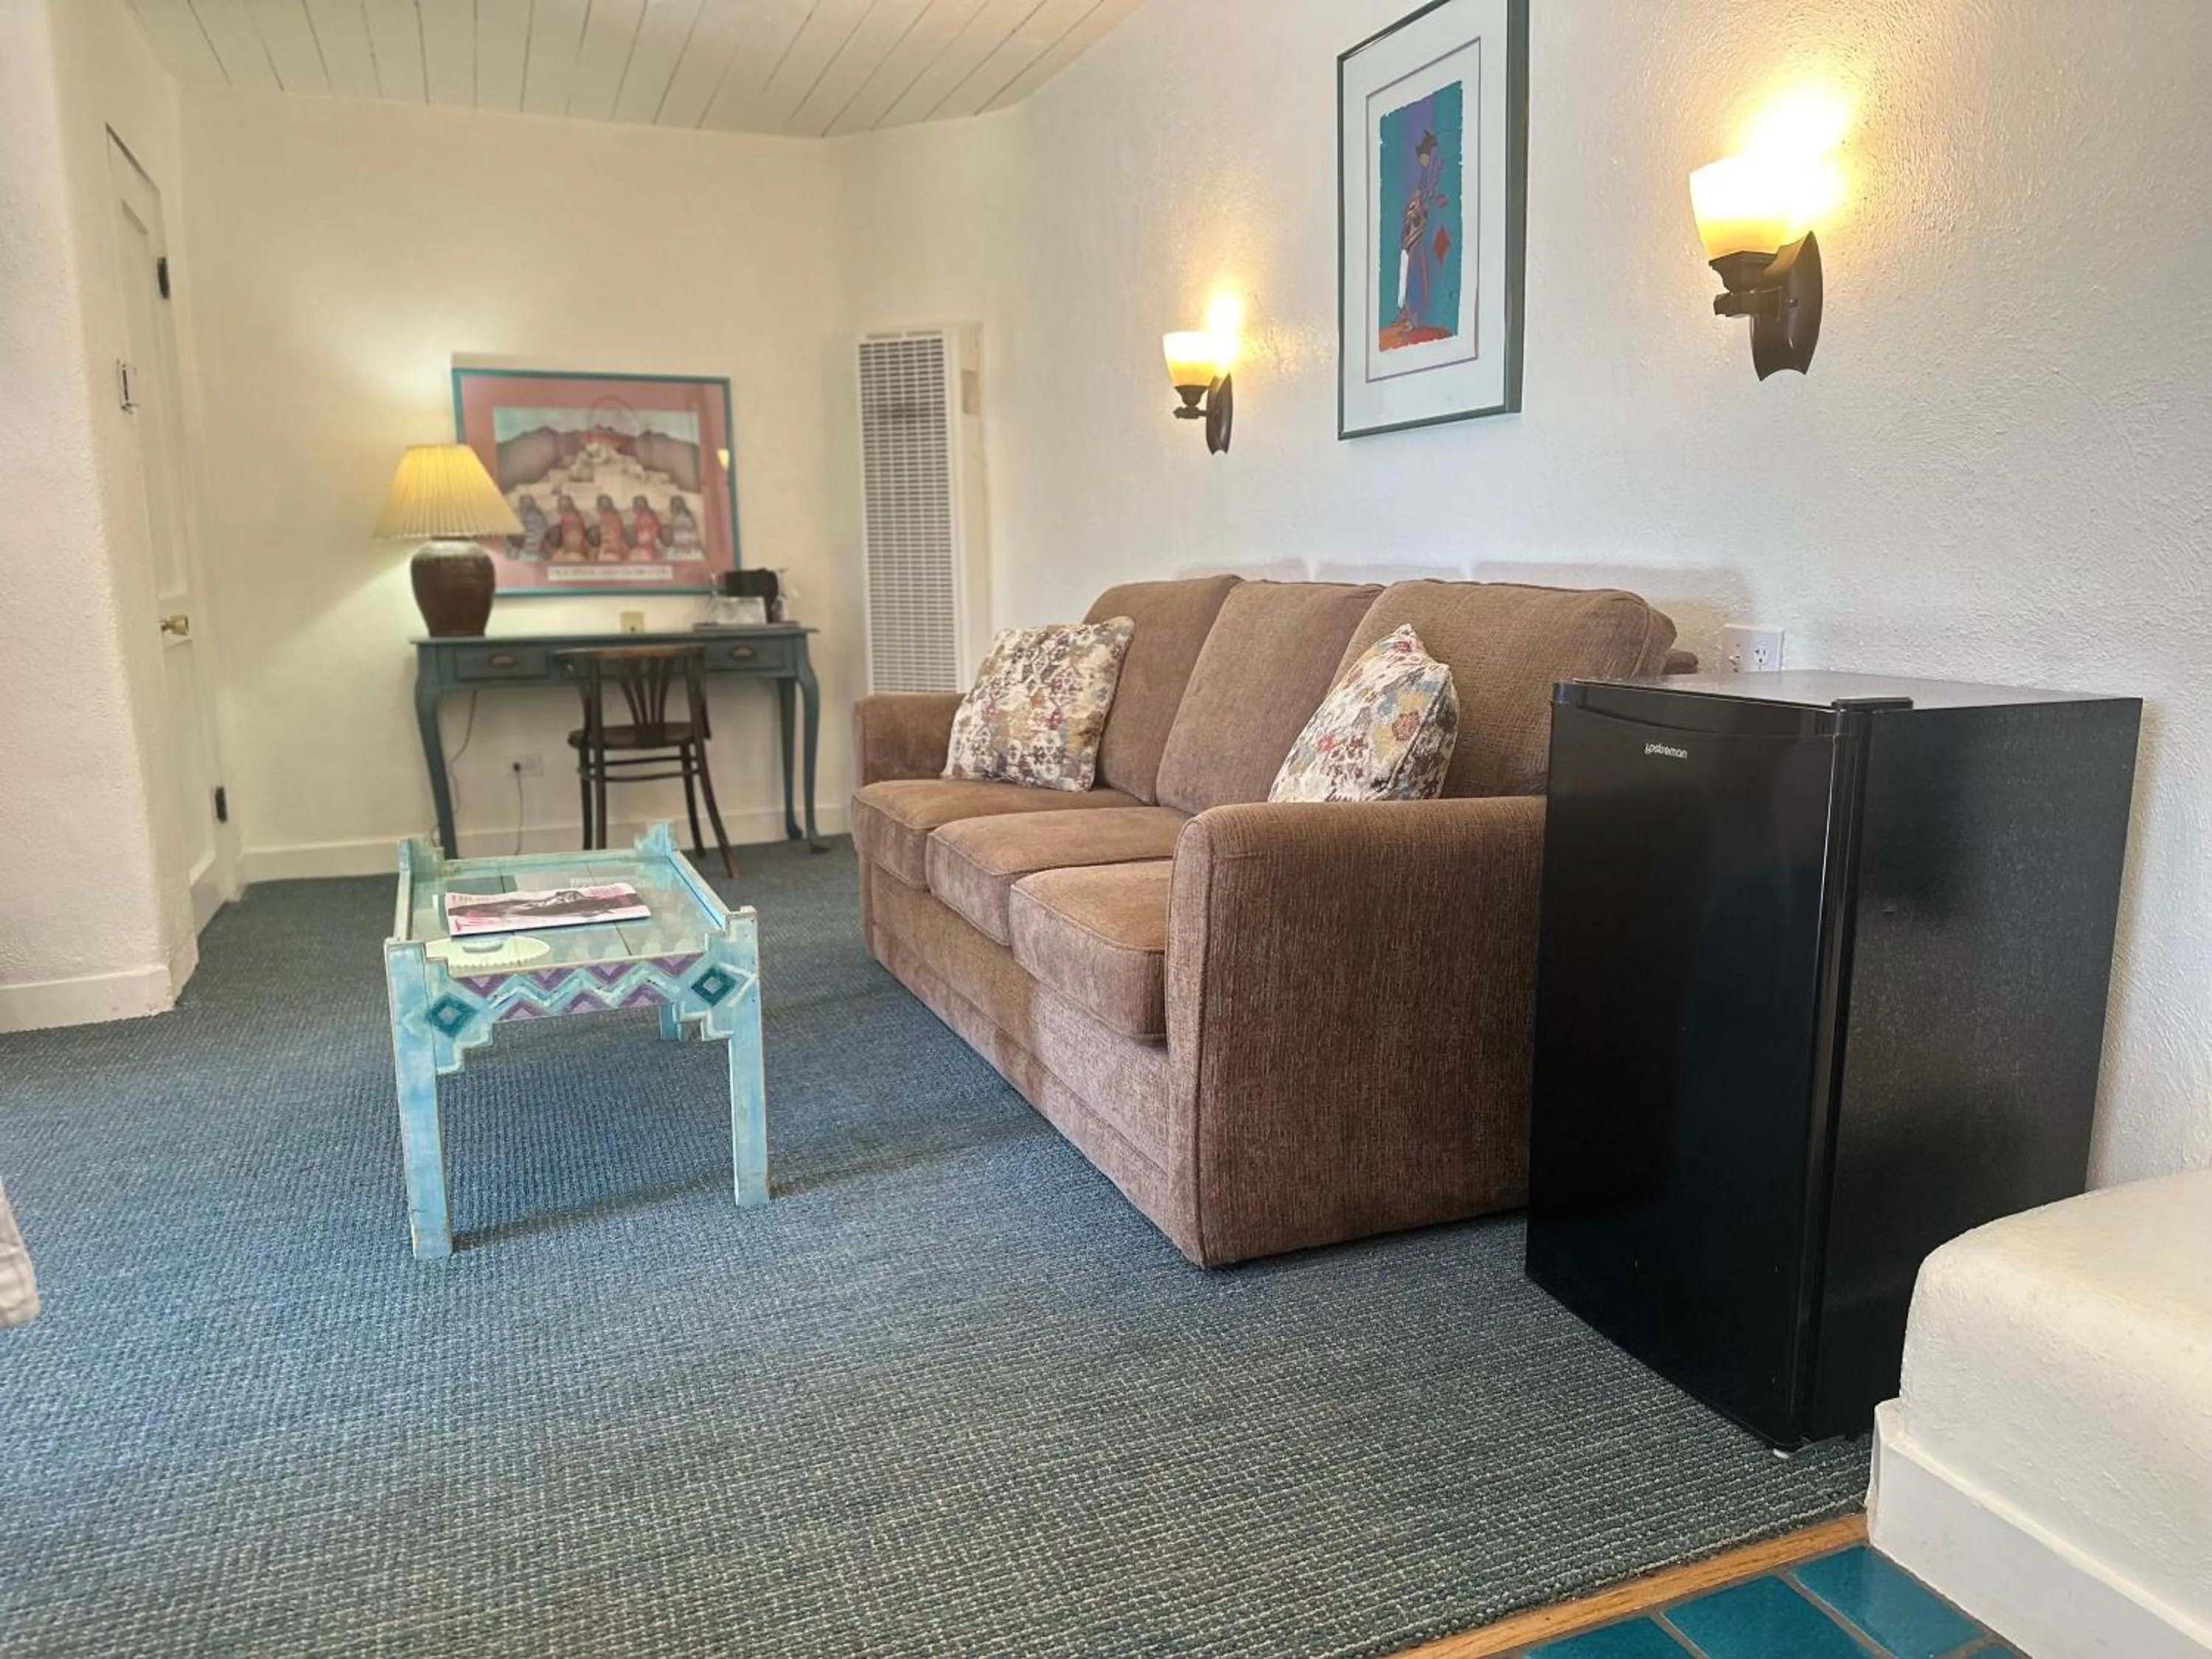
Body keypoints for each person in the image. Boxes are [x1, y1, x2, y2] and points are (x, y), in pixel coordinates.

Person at [548, 494, 591, 563]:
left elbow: (575, 542)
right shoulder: (572, 517)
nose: (558, 509)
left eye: (560, 507)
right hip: (570, 550)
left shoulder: (571, 519)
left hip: (576, 552)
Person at [627, 494, 665, 562]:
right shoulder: (635, 515)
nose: (640, 506)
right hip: (641, 542)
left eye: (641, 503)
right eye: (638, 504)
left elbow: (655, 527)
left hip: (650, 541)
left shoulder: (650, 515)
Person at [593, 494, 627, 563]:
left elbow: (610, 534)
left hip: (612, 548)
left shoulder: (606, 517)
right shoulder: (616, 516)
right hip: (614, 546)